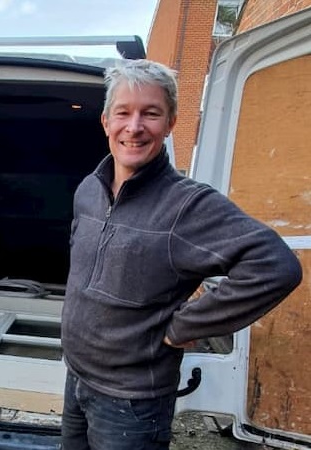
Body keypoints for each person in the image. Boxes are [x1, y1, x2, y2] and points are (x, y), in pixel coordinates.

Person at [60, 59, 303, 450]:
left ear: (170, 123)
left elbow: (275, 266)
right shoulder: (89, 189)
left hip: (132, 401)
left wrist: (182, 328)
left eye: (151, 114)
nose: (134, 127)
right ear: (106, 121)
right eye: (123, 113)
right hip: (77, 378)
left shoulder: (187, 206)